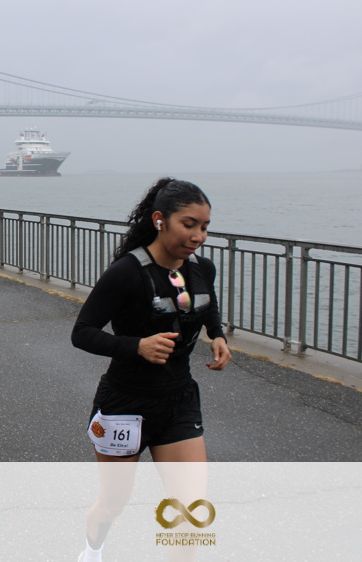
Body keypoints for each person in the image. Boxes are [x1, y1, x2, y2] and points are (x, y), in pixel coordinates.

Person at [71, 178, 231, 562]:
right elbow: (82, 332)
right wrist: (136, 346)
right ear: (160, 220)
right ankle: (93, 549)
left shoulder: (202, 269)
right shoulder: (128, 272)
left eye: (205, 227)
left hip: (178, 402)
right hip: (125, 404)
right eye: (189, 224)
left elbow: (205, 302)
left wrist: (217, 334)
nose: (198, 236)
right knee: (113, 504)